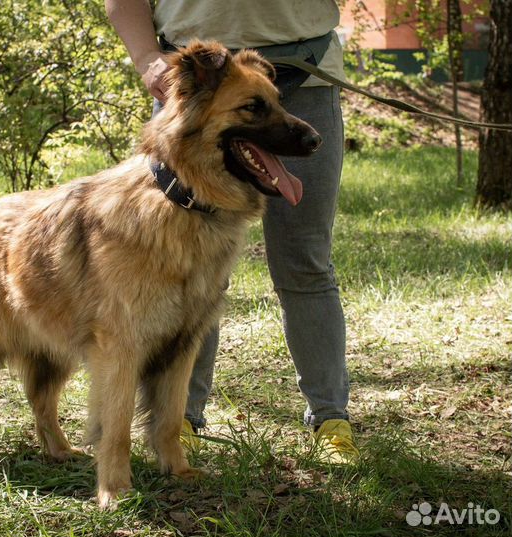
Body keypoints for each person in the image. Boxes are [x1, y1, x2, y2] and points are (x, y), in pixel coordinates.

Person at [105, 0, 359, 464]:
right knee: (186, 270)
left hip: (307, 70)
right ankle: (177, 420)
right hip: (196, 85)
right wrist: (148, 60)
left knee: (306, 261)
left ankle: (330, 419)